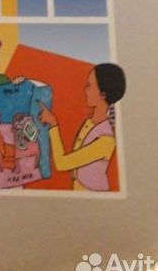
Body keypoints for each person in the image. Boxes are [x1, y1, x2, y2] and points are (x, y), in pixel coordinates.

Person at [38, 62, 126, 192]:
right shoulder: (89, 122)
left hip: (93, 195)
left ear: (103, 94)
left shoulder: (106, 140)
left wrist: (53, 124)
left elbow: (63, 163)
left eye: (89, 86)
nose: (85, 90)